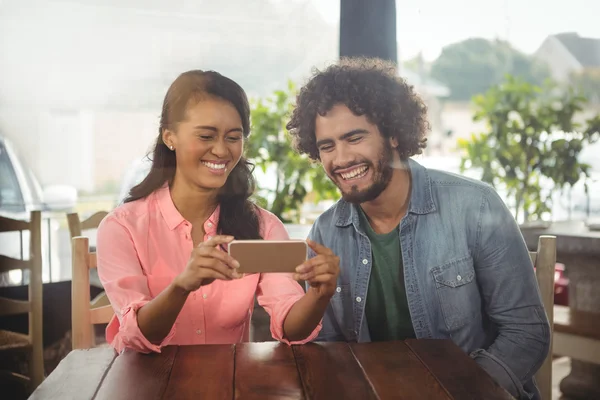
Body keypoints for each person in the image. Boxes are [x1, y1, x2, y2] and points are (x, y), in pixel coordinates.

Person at [286, 58, 550, 399]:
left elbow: (525, 333)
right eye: (327, 146)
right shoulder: (326, 232)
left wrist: (461, 391)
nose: (341, 159)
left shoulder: (475, 206)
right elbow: (331, 346)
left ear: (394, 133)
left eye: (354, 138)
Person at [97, 70, 339, 354]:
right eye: (206, 135)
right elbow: (137, 337)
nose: (221, 150)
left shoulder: (263, 227)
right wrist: (181, 287)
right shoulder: (122, 228)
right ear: (169, 136)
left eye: (233, 137)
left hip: (230, 383)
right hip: (145, 384)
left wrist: (320, 297)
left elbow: (290, 326)